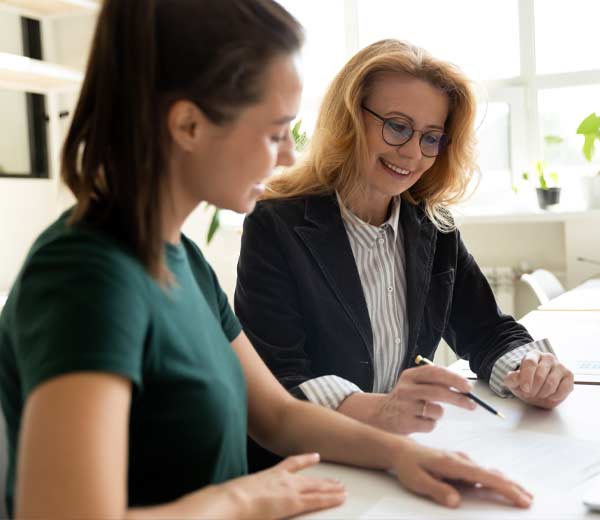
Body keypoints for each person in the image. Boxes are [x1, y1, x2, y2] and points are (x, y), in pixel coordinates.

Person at [0, 4, 534, 517]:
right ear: (188, 126)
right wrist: (240, 500)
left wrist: (405, 455)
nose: (285, 156)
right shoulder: (86, 276)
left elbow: (277, 415)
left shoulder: (181, 257)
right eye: (276, 132)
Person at [235, 39, 574, 449]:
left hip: (396, 452)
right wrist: (379, 411)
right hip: (314, 456)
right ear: (350, 118)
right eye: (397, 126)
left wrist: (529, 369)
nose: (413, 153)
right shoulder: (277, 223)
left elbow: (486, 331)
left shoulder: (433, 224)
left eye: (431, 137)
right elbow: (279, 377)